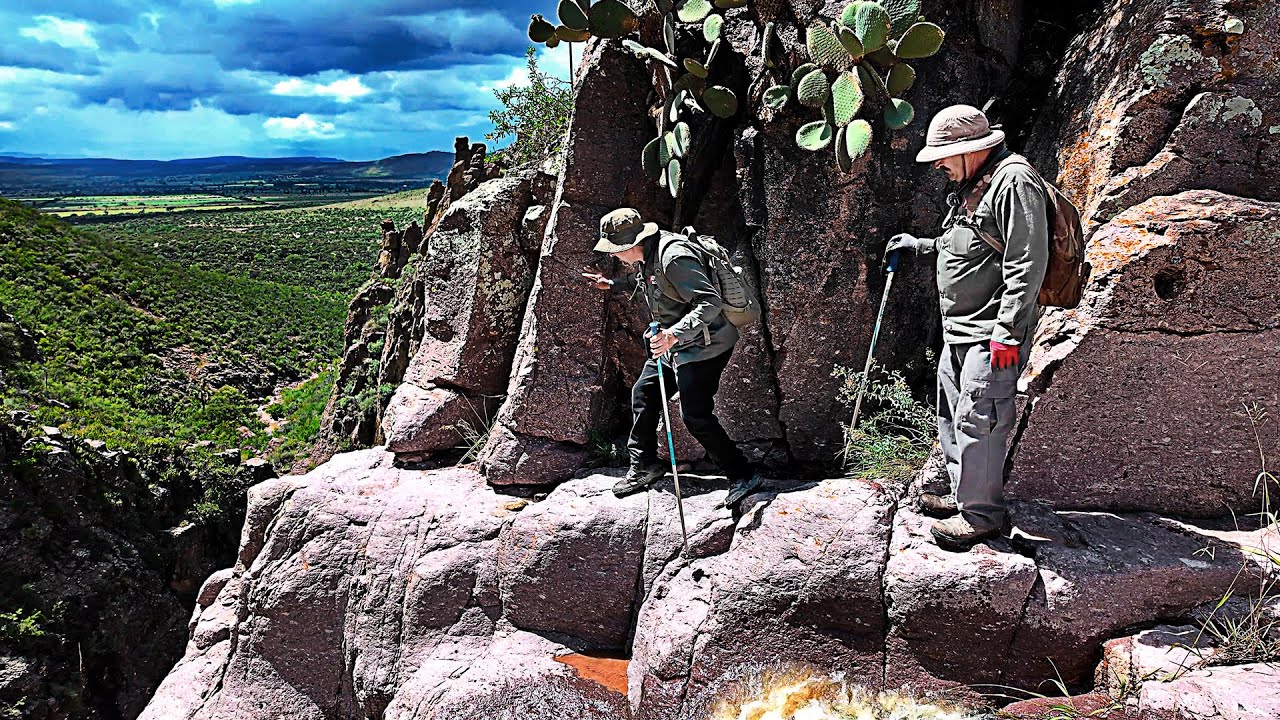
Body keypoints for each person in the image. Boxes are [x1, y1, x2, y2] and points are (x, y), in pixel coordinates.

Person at [884, 105, 1049, 551]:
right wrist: (921, 245)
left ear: (969, 150)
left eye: (942, 155)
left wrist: (1008, 332)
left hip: (990, 333)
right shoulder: (978, 184)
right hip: (960, 330)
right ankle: (965, 497)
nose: (937, 164)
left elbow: (1027, 263)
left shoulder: (1014, 181)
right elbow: (966, 243)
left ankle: (981, 516)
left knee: (981, 420)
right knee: (952, 415)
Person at [581, 208, 762, 508]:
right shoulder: (647, 255)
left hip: (706, 345)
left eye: (615, 251)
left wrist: (673, 335)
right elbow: (649, 284)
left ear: (630, 245)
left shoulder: (673, 257)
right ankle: (645, 466)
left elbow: (709, 303)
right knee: (645, 393)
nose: (614, 256)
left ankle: (743, 474)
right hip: (673, 345)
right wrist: (611, 285)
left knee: (695, 415)